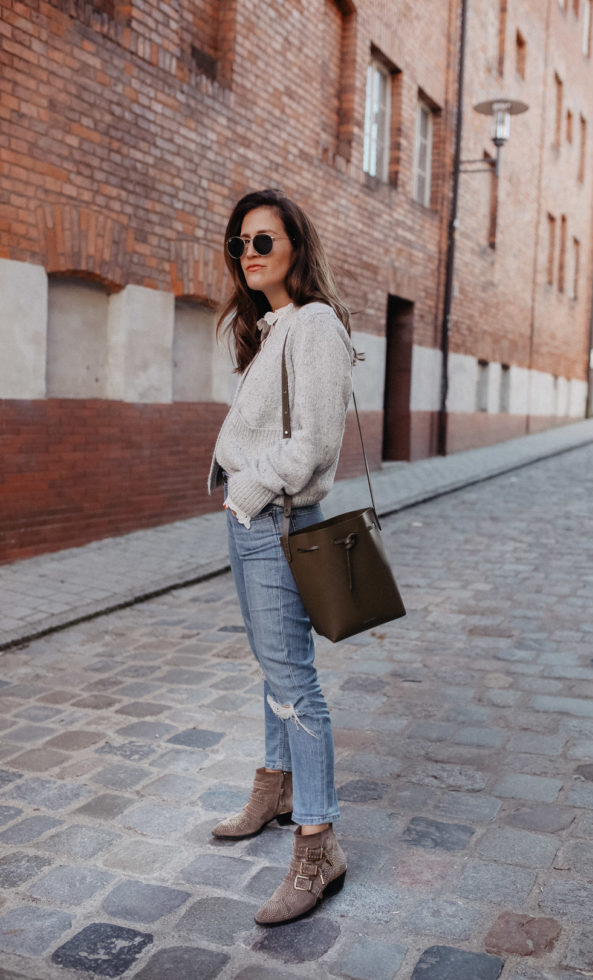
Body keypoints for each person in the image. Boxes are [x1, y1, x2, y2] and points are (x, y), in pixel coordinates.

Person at [207, 188, 353, 926]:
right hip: (257, 517)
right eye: (241, 243)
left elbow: (314, 444)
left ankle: (318, 843)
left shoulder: (315, 324)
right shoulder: (274, 328)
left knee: (295, 683)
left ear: (297, 244)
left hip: (273, 517)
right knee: (275, 668)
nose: (250, 254)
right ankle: (276, 788)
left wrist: (248, 491)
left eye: (264, 240)